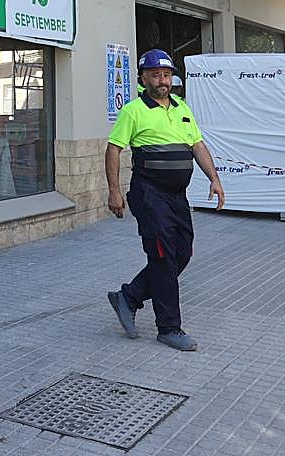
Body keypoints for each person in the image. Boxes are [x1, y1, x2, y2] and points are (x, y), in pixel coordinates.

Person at [105, 49, 224, 351]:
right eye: (156, 75)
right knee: (162, 256)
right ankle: (169, 328)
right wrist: (114, 190)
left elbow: (197, 145)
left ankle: (129, 296)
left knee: (181, 254)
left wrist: (214, 178)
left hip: (176, 197)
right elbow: (113, 150)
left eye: (167, 74)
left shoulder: (182, 108)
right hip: (149, 194)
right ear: (143, 78)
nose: (162, 80)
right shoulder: (133, 111)